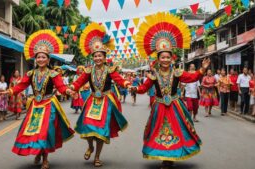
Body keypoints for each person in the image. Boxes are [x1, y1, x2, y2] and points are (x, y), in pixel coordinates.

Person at [132, 13, 209, 168]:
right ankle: (164, 157)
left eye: (168, 57)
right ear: (158, 59)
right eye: (163, 57)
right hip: (159, 107)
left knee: (177, 131)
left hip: (174, 107)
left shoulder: (177, 73)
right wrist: (133, 87)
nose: (165, 60)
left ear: (172, 58)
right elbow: (143, 88)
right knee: (159, 132)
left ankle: (171, 157)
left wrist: (202, 70)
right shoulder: (153, 75)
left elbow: (191, 78)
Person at [0, 30, 75, 169]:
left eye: (43, 57)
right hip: (35, 105)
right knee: (33, 131)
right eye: (38, 57)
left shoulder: (53, 73)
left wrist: (69, 91)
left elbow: (61, 86)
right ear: (35, 59)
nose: (40, 59)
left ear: (48, 59)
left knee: (45, 131)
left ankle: (45, 158)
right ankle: (38, 153)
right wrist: (9, 91)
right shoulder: (30, 73)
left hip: (48, 104)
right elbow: (21, 85)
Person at [71, 22, 131, 167]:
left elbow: (119, 80)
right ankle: (90, 146)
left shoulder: (110, 70)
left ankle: (97, 156)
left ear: (104, 57)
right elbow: (78, 82)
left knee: (100, 130)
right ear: (93, 57)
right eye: (95, 56)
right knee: (87, 127)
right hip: (92, 100)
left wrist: (128, 84)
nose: (97, 58)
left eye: (100, 56)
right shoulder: (88, 71)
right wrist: (71, 88)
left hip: (106, 101)